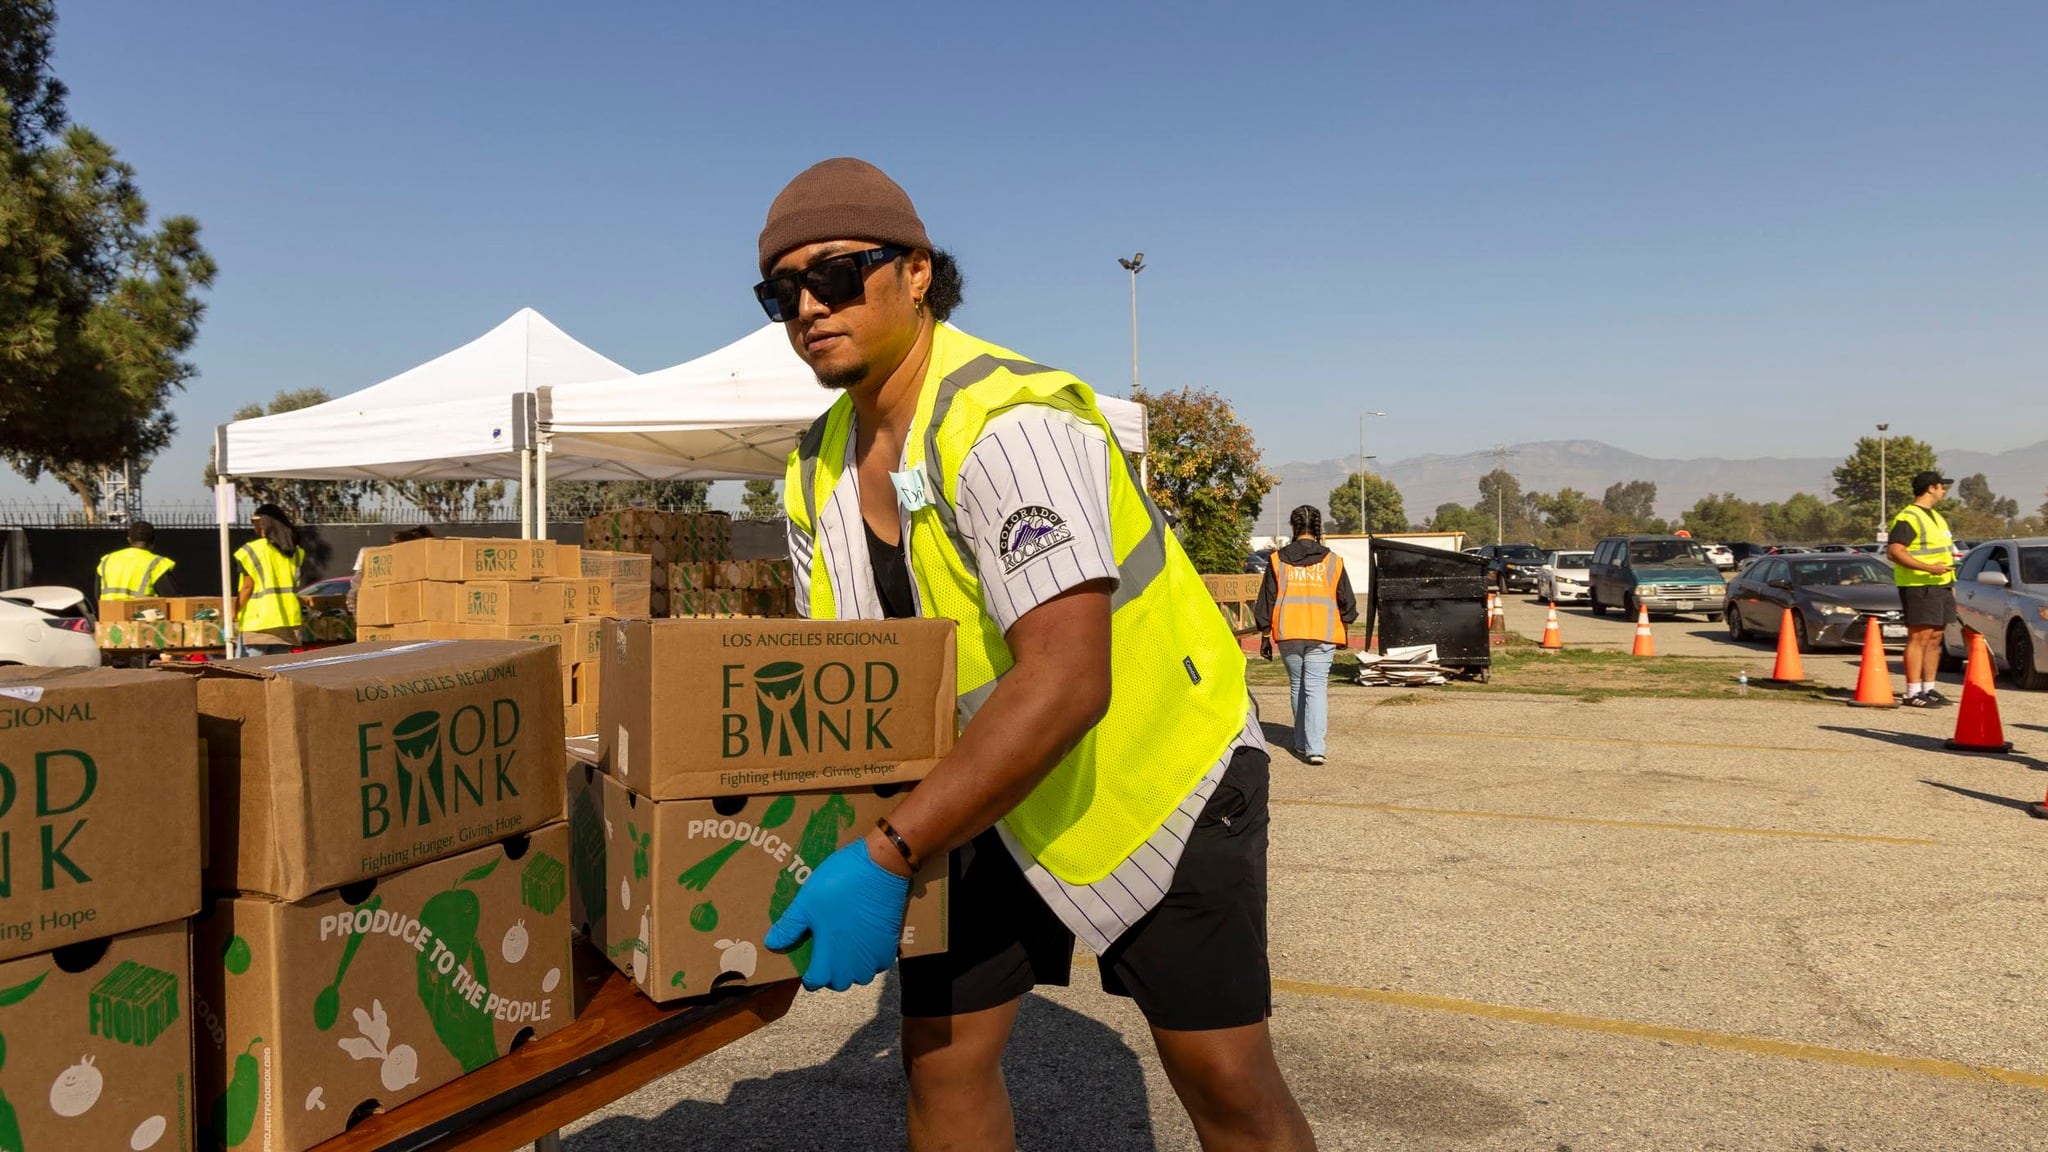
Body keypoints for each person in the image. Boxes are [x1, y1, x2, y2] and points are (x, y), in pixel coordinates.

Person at [758, 158, 1314, 1152]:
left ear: (916, 272)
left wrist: (886, 853)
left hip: (1154, 779)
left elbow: (1065, 679)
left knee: (1222, 1076)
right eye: (781, 290)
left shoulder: (1010, 422)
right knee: (940, 1062)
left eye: (835, 275)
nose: (807, 305)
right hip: (968, 794)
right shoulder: (809, 469)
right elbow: (837, 681)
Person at [1253, 506, 1357, 765]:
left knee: (1298, 686)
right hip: (1323, 632)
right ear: (1318, 527)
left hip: (1289, 632)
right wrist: (1345, 627)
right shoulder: (1333, 560)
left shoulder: (1277, 560)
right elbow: (1348, 602)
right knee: (1316, 688)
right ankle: (1315, 748)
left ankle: (1301, 742)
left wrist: (1265, 636)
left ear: (1293, 526)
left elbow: (1266, 601)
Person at [1887, 470, 1956, 707]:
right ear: (1931, 488)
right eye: (1941, 487)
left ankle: (1929, 688)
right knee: (1919, 637)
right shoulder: (1909, 517)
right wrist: (1928, 568)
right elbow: (1895, 552)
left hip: (1941, 585)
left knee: (1935, 637)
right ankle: (1912, 691)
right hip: (1919, 585)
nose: (1943, 491)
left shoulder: (1936, 516)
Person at [233, 503, 305, 656]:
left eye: (254, 522)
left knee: (246, 671)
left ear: (262, 523)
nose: (253, 526)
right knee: (278, 672)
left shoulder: (250, 551)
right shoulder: (296, 552)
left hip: (258, 623)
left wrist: (233, 613)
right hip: (287, 621)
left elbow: (247, 587)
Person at [96, 520, 178, 603]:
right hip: (141, 614)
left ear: (129, 539)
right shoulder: (157, 563)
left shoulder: (106, 560)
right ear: (153, 541)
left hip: (108, 614)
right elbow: (172, 599)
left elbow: (97, 595)